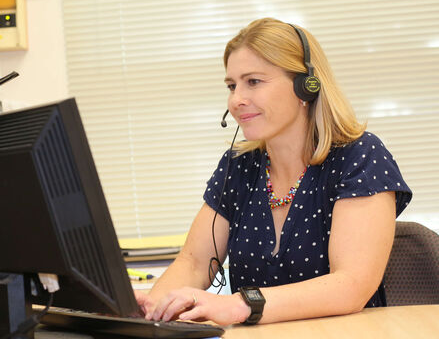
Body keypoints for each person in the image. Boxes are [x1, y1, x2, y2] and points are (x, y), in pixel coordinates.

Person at [134, 18, 412, 326]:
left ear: (305, 87)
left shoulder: (359, 157)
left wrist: (241, 305)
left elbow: (350, 285)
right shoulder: (239, 167)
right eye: (231, 85)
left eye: (253, 82)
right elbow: (195, 262)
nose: (236, 99)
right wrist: (152, 309)